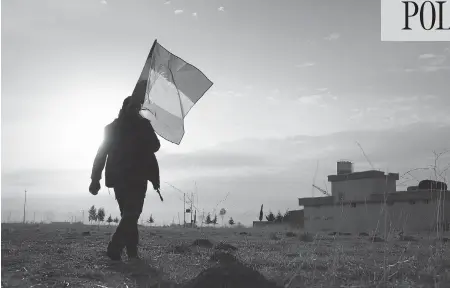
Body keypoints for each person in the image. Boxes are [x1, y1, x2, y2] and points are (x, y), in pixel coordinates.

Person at [89, 96, 161, 261]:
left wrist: (144, 129)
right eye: (132, 107)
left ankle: (132, 253)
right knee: (130, 213)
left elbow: (155, 146)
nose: (135, 110)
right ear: (124, 108)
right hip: (121, 177)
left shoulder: (143, 126)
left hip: (138, 176)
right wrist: (95, 179)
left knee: (130, 214)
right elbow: (101, 154)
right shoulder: (112, 128)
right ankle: (116, 248)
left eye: (138, 107)